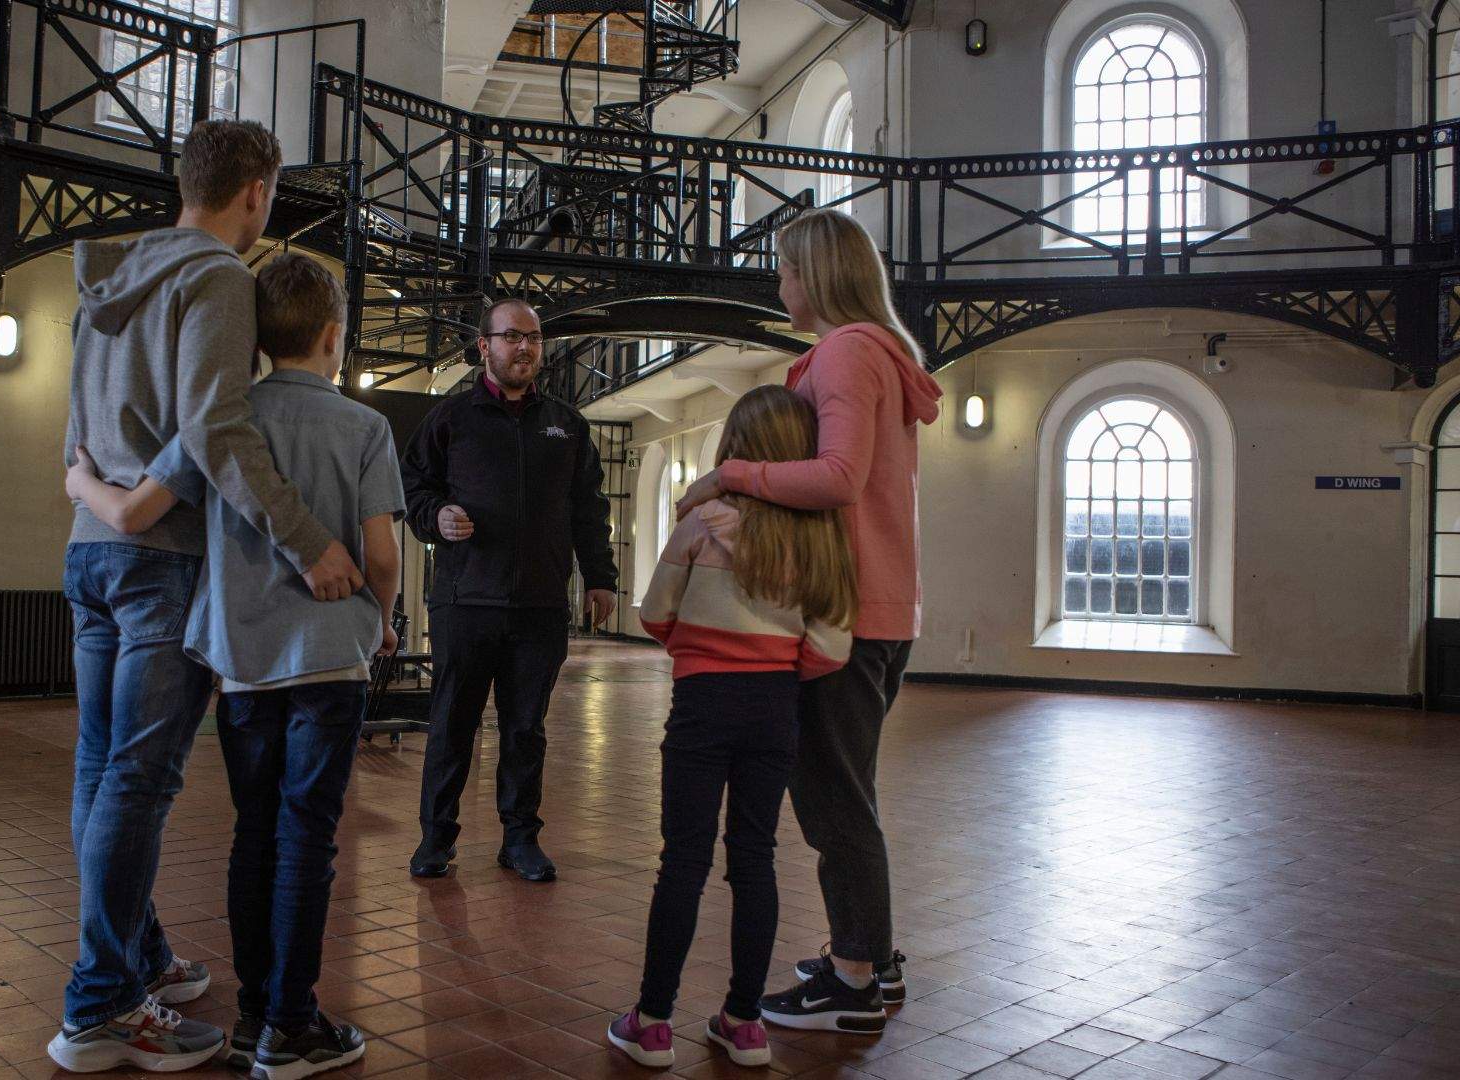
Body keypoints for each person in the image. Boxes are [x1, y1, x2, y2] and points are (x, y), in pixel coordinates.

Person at [50, 119, 364, 1075]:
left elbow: (74, 442)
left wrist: (105, 498)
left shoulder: (111, 277)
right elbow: (219, 427)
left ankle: (137, 957)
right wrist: (309, 541)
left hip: (89, 551)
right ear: (257, 193)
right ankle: (101, 1004)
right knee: (140, 781)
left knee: (103, 771)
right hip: (156, 562)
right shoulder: (218, 277)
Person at [679, 208, 941, 1033]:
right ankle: (873, 954)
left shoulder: (847, 351)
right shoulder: (872, 352)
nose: (779, 284)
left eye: (786, 270)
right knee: (845, 789)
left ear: (816, 277)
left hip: (849, 614)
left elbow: (836, 479)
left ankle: (854, 978)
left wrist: (731, 474)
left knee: (832, 801)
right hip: (879, 606)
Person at [606, 385, 857, 1070]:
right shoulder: (822, 538)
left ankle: (652, 1022)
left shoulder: (703, 521)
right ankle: (744, 1022)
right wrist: (777, 662)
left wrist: (701, 646)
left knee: (682, 860)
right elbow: (832, 647)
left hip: (702, 704)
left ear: (735, 450)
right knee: (755, 858)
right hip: (775, 707)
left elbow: (654, 613)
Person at [400, 298, 619, 882]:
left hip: (540, 608)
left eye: (534, 338)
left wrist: (601, 577)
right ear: (484, 347)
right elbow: (413, 489)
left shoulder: (566, 425)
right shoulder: (450, 420)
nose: (525, 348)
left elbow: (590, 509)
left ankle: (520, 839)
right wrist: (436, 516)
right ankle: (435, 840)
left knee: (526, 730)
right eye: (512, 337)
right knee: (452, 726)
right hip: (464, 602)